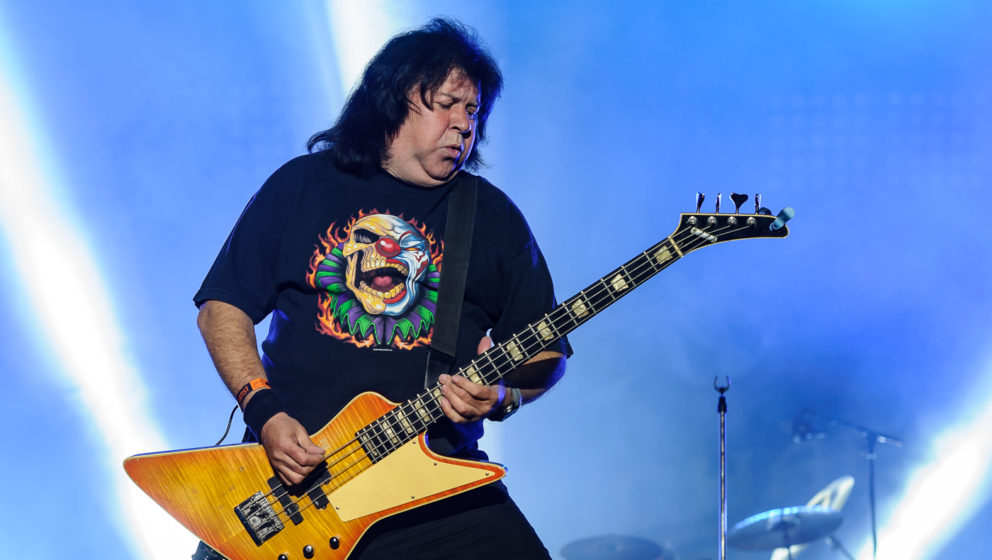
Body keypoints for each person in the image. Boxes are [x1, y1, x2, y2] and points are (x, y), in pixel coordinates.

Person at [192, 18, 569, 560]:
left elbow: (547, 354)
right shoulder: (304, 184)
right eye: (448, 104)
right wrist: (265, 413)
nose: (465, 124)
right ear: (394, 100)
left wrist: (504, 397)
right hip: (297, 488)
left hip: (439, 489)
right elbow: (221, 309)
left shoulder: (492, 217)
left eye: (474, 111)